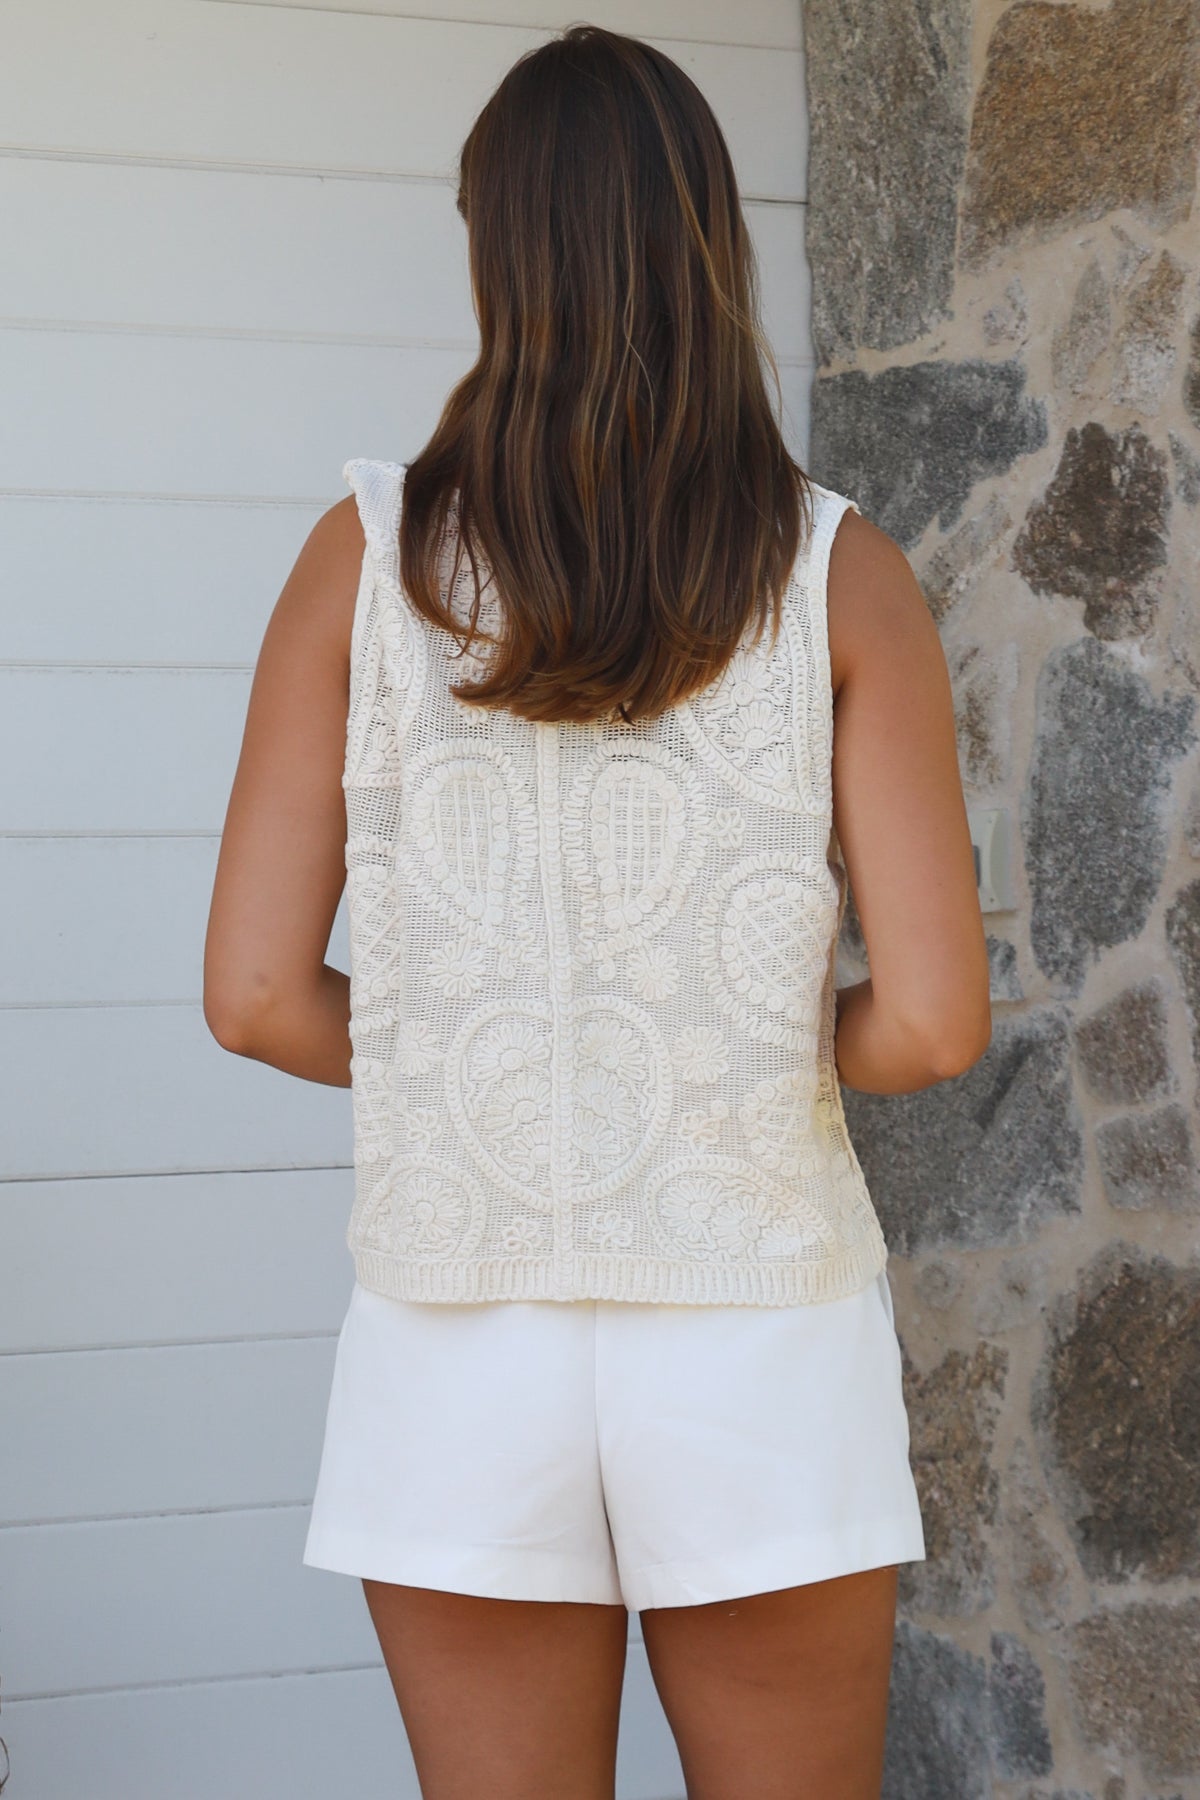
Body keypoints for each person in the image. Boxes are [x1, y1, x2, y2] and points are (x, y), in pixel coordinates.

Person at [203, 23, 991, 1800]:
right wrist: (728, 1057)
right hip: (759, 1328)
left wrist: (478, 1071)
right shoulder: (839, 576)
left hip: (455, 1336)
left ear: (497, 250)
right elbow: (936, 1023)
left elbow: (253, 995)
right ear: (710, 240)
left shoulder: (363, 564)